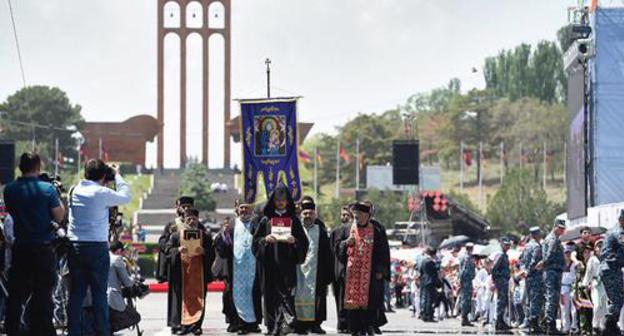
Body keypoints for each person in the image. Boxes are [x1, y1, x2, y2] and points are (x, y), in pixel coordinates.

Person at [66, 159, 131, 336]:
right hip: (96, 247)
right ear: (103, 176)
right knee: (99, 294)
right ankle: (102, 331)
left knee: (76, 294)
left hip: (75, 246)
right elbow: (126, 196)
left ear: (85, 173)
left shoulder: (74, 190)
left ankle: (74, 332)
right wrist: (117, 174)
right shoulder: (102, 192)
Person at [3, 152, 65, 335]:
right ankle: (41, 330)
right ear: (38, 167)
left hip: (20, 248)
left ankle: (12, 328)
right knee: (43, 295)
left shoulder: (9, 189)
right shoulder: (47, 189)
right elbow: (59, 215)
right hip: (42, 248)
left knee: (16, 295)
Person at [252, 183, 309, 335]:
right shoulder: (266, 220)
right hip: (270, 265)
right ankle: (272, 327)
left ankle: (286, 324)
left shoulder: (294, 220)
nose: (281, 203)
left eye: (283, 200)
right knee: (270, 296)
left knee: (287, 294)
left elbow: (304, 241)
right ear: (273, 202)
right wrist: (265, 240)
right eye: (278, 200)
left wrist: (294, 241)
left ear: (288, 202)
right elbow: (255, 242)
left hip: (287, 265)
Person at [336, 201, 390, 336]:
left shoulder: (377, 230)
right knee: (352, 303)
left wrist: (381, 270)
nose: (357, 217)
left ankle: (369, 325)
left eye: (360, 214)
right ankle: (354, 329)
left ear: (367, 215)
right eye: (355, 214)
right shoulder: (347, 229)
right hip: (352, 274)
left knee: (370, 301)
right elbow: (337, 248)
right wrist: (345, 244)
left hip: (370, 273)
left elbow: (384, 252)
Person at [214, 200, 263, 335]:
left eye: (247, 208)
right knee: (236, 294)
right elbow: (222, 248)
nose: (244, 210)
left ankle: (253, 324)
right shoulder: (231, 224)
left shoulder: (257, 224)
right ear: (237, 209)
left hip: (253, 267)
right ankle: (239, 323)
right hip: (235, 268)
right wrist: (224, 236)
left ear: (251, 209)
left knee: (253, 294)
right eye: (242, 208)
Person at [165, 207, 215, 335]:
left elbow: (213, 253)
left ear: (198, 219)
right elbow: (167, 251)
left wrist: (204, 252)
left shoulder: (205, 236)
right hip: (182, 274)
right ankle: (184, 326)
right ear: (185, 220)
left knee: (199, 299)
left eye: (194, 218)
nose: (191, 221)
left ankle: (196, 326)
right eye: (189, 219)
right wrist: (177, 251)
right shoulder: (176, 236)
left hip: (199, 273)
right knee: (182, 300)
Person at [293, 197, 333, 334]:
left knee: (318, 299)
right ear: (301, 214)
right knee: (297, 297)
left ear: (315, 214)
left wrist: (328, 273)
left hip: (317, 272)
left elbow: (327, 253)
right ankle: (300, 324)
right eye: (305, 214)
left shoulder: (320, 230)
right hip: (298, 270)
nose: (308, 216)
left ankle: (316, 324)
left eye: (310, 213)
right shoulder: (295, 229)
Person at [157, 196, 195, 284]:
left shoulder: (197, 224)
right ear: (178, 208)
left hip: (193, 264)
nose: (186, 209)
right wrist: (175, 247)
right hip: (176, 263)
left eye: (189, 206)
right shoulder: (172, 225)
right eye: (183, 207)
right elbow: (163, 243)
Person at [599, 210, 624, 334]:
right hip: (611, 268)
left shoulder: (613, 231)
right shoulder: (619, 232)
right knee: (617, 299)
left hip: (611, 268)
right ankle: (608, 325)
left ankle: (611, 325)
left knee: (617, 298)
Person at [330, 206, 354, 333]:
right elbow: (333, 251)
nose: (344, 217)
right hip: (339, 271)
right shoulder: (335, 231)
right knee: (340, 299)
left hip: (352, 271)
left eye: (347, 215)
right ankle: (342, 324)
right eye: (342, 215)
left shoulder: (355, 231)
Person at [108, 241, 141, 332]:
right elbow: (127, 282)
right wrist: (134, 279)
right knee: (135, 317)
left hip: (99, 297)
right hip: (112, 298)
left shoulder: (102, 257)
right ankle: (110, 329)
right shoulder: (116, 259)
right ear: (119, 250)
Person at [541, 219, 566, 334]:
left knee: (552, 298)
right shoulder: (553, 239)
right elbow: (549, 254)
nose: (562, 230)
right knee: (552, 298)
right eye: (560, 228)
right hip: (552, 272)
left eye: (563, 228)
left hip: (552, 271)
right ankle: (550, 326)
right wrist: (544, 262)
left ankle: (550, 325)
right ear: (555, 226)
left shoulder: (553, 238)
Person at [521, 226, 543, 334]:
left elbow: (521, 261)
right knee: (535, 299)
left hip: (528, 277)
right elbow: (534, 262)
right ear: (537, 235)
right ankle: (534, 322)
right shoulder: (536, 247)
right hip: (535, 276)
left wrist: (524, 271)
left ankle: (529, 321)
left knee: (529, 299)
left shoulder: (526, 246)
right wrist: (529, 271)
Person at [584, 239, 606, 334]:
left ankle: (602, 326)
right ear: (595, 248)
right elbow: (588, 272)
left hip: (606, 284)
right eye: (598, 246)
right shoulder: (592, 259)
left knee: (605, 307)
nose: (600, 248)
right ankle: (595, 325)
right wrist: (585, 284)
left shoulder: (607, 258)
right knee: (597, 306)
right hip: (596, 284)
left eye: (602, 245)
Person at [491, 239, 512, 331]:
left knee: (503, 301)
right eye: (506, 245)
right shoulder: (500, 255)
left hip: (504, 280)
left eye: (508, 245)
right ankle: (499, 321)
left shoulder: (504, 255)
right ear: (502, 245)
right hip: (501, 281)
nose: (507, 247)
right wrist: (496, 280)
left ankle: (501, 320)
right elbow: (494, 268)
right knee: (501, 301)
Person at [419, 247, 438, 323]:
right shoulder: (431, 262)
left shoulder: (423, 261)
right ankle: (429, 315)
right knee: (430, 299)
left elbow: (420, 271)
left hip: (424, 281)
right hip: (430, 281)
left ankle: (424, 314)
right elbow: (435, 273)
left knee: (424, 298)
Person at [458, 243, 475, 326]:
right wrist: (464, 279)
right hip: (466, 281)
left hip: (465, 281)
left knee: (465, 298)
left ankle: (465, 317)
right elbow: (465, 270)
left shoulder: (463, 257)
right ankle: (464, 318)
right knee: (466, 299)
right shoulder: (467, 258)